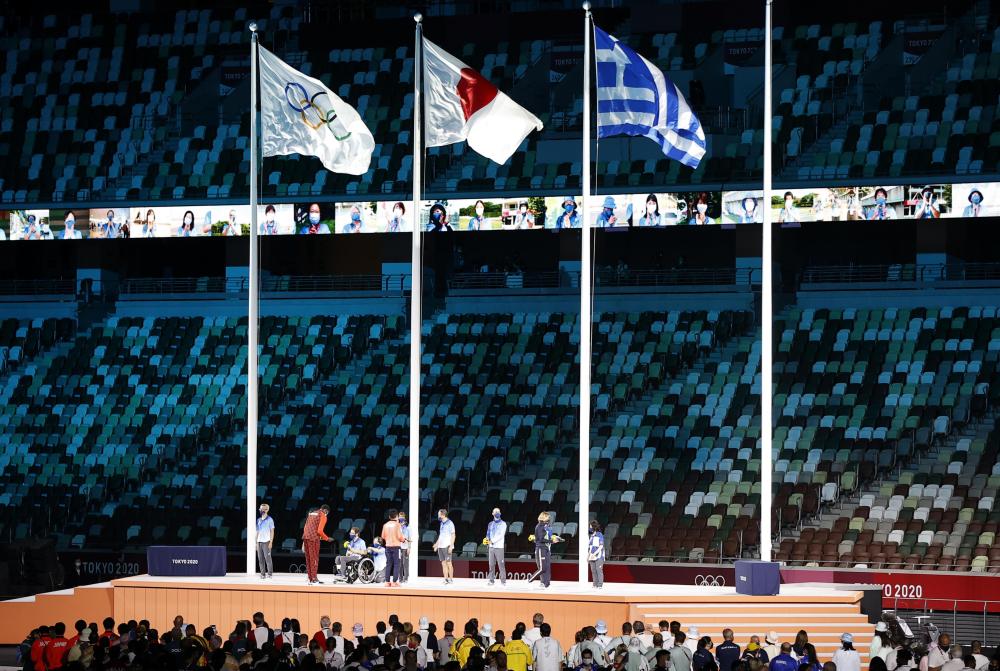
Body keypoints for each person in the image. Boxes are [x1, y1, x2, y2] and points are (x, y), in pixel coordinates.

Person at [302, 504, 332, 584]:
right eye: (327, 513)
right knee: (314, 559)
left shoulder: (311, 513)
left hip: (305, 537)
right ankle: (314, 578)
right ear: (325, 510)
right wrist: (327, 538)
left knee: (308, 559)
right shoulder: (323, 515)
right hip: (313, 539)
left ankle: (310, 578)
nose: (326, 514)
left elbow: (305, 527)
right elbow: (319, 531)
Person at [532, 511, 562, 589]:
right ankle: (539, 582)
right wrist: (552, 541)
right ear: (544, 517)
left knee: (547, 567)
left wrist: (556, 538)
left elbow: (549, 536)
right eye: (548, 518)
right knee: (542, 567)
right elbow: (541, 539)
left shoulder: (547, 527)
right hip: (541, 548)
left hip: (547, 548)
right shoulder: (539, 526)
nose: (549, 519)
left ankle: (547, 583)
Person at [381, 508, 407, 587]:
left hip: (388, 547)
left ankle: (387, 582)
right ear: (396, 516)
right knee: (396, 564)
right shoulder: (397, 525)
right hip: (396, 547)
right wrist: (403, 540)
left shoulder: (385, 525)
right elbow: (400, 536)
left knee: (388, 564)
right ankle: (394, 582)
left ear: (389, 516)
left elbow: (383, 536)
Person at [433, 508, 456, 584]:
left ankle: (451, 579)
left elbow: (453, 535)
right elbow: (441, 535)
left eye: (439, 514)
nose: (438, 516)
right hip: (441, 546)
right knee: (443, 563)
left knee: (449, 563)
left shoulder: (450, 523)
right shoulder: (441, 523)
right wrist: (436, 544)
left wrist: (451, 546)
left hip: (447, 545)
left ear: (443, 515)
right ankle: (446, 579)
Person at [255, 503, 275, 579]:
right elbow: (257, 531)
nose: (260, 510)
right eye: (260, 509)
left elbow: (272, 531)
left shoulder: (270, 520)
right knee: (260, 559)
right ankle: (262, 574)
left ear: (266, 510)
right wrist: (256, 542)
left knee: (267, 558)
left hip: (266, 541)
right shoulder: (258, 520)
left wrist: (271, 542)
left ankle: (270, 573)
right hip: (259, 542)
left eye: (262, 509)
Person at [587, 520, 606, 589]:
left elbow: (601, 546)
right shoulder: (591, 536)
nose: (589, 528)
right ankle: (595, 584)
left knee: (599, 570)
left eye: (590, 526)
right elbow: (590, 547)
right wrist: (589, 555)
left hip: (599, 556)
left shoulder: (599, 534)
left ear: (593, 526)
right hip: (591, 556)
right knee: (593, 570)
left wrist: (594, 554)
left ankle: (600, 584)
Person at [399, 511, 412, 584]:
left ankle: (406, 578)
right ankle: (400, 578)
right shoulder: (398, 527)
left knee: (405, 564)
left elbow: (409, 538)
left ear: (404, 518)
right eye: (400, 517)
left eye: (402, 517)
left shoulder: (408, 527)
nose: (401, 518)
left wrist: (409, 548)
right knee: (399, 564)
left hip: (405, 547)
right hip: (399, 547)